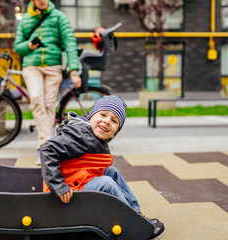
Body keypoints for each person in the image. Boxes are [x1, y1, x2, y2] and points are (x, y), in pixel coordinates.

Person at [40, 95, 166, 240]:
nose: (106, 121)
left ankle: (135, 214)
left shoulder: (91, 136)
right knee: (106, 183)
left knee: (112, 172)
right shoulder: (79, 135)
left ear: (114, 132)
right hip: (65, 193)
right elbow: (47, 150)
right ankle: (133, 226)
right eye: (103, 115)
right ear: (90, 117)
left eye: (114, 121)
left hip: (77, 180)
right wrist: (59, 186)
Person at [13, 0, 81, 165]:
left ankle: (44, 147)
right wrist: (29, 45)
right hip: (31, 66)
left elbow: (70, 43)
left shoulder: (59, 17)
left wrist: (73, 70)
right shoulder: (26, 19)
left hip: (53, 67)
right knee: (37, 98)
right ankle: (46, 146)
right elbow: (17, 47)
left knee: (50, 104)